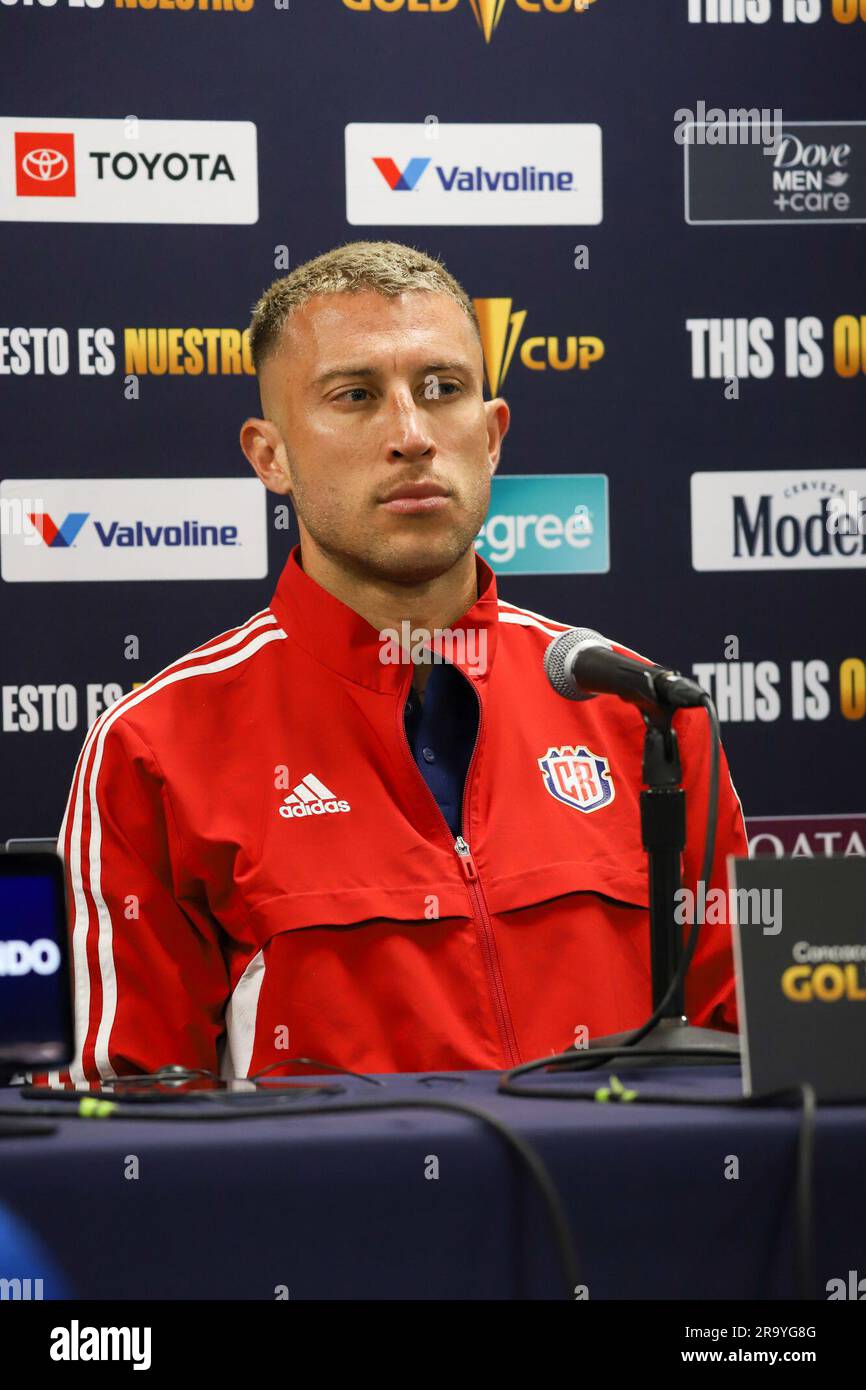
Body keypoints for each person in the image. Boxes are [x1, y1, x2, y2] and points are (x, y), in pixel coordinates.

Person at [47, 240, 747, 1084]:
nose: (412, 436)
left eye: (442, 389)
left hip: (620, 1215)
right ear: (270, 457)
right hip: (326, 1220)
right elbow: (123, 1127)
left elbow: (751, 1058)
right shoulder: (156, 748)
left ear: (491, 437)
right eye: (355, 396)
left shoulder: (641, 711)